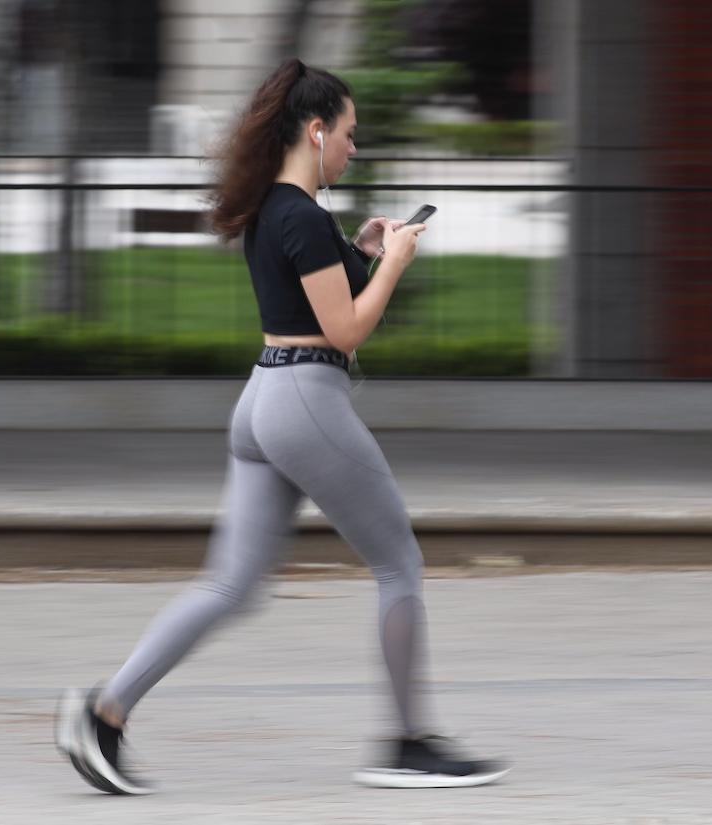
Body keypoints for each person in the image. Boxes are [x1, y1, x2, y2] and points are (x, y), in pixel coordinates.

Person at [55, 58, 509, 793]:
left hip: (263, 401)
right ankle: (408, 742)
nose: (353, 149)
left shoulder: (277, 209)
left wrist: (360, 253)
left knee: (229, 585)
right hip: (306, 404)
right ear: (317, 127)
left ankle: (102, 715)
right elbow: (347, 329)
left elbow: (312, 307)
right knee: (400, 566)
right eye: (350, 134)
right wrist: (393, 262)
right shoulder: (300, 214)